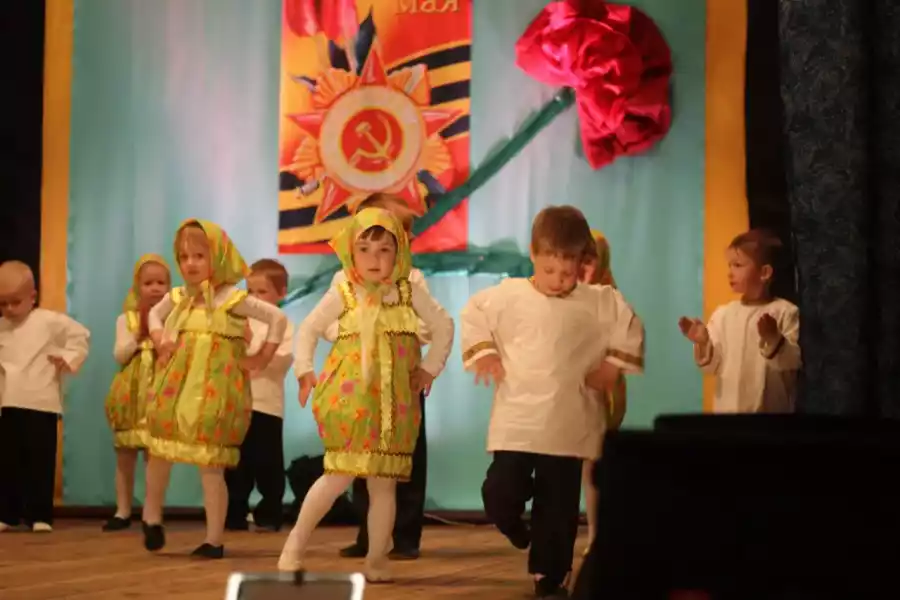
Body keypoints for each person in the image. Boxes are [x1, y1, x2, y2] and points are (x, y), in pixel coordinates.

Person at [460, 206, 645, 598]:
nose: (558, 281)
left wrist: (612, 367)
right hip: (518, 420)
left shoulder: (599, 300)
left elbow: (629, 326)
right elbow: (474, 314)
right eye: (549, 271)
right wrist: (486, 353)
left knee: (558, 503)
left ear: (583, 263)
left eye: (567, 272)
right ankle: (512, 522)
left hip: (568, 421)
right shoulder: (509, 295)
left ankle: (550, 575)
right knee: (500, 491)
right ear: (533, 254)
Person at [279, 208, 454, 583]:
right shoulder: (344, 289)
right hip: (351, 400)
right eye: (364, 249)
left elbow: (443, 325)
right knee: (338, 475)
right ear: (351, 252)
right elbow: (309, 328)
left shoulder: (407, 290)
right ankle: (294, 546)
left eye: (384, 249)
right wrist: (305, 371)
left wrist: (430, 368)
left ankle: (376, 559)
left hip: (395, 404)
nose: (375, 259)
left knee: (383, 484)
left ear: (398, 252)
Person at [140, 219, 288, 559]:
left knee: (211, 464)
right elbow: (154, 315)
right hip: (176, 387)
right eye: (184, 257)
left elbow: (277, 319)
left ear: (218, 257)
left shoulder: (233, 299)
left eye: (199, 256)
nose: (190, 264)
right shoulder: (180, 297)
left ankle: (214, 538)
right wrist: (160, 338)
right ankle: (151, 515)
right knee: (160, 451)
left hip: (214, 392)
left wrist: (262, 356)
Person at [326, 193, 432, 561]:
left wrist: (403, 338)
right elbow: (329, 324)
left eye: (401, 232)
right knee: (362, 455)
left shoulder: (412, 280)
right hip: (361, 379)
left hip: (402, 379)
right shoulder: (345, 280)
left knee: (408, 455)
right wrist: (351, 336)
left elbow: (429, 326)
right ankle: (368, 535)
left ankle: (405, 534)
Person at [0, 260, 91, 533]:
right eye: (2, 303)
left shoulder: (49, 321)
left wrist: (68, 358)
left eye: (15, 302)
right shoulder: (1, 326)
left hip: (42, 403)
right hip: (8, 402)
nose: (9, 309)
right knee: (8, 461)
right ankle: (8, 513)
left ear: (33, 296)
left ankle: (40, 514)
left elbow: (81, 336)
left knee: (40, 460)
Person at [678, 229, 800, 413]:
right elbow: (712, 367)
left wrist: (774, 339)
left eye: (738, 265)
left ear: (764, 272)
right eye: (730, 265)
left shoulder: (785, 312)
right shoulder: (723, 315)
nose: (730, 272)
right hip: (729, 414)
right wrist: (704, 342)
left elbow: (793, 362)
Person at [225, 259, 294, 532]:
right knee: (236, 461)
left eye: (262, 292)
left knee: (268, 462)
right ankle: (234, 512)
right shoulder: (238, 321)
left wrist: (251, 342)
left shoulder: (283, 325)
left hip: (267, 404)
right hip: (238, 402)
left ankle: (270, 512)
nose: (254, 298)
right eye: (250, 292)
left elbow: (278, 360)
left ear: (281, 293)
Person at [103, 254, 171, 531]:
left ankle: (151, 513)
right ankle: (122, 510)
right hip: (131, 396)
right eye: (148, 283)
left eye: (161, 283)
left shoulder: (173, 319)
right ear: (137, 287)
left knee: (155, 458)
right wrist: (139, 334)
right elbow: (119, 355)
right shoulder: (126, 319)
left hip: (160, 394)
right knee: (125, 456)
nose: (155, 289)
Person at [579, 230, 628, 552]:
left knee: (592, 465)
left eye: (590, 259)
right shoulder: (564, 295)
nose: (584, 266)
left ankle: (597, 532)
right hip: (570, 391)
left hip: (600, 392)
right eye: (579, 259)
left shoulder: (611, 298)